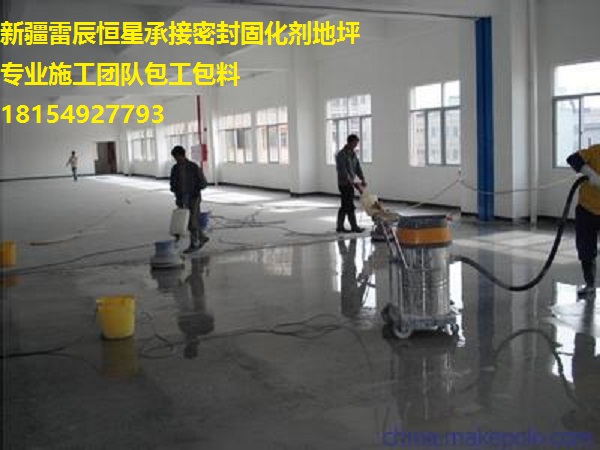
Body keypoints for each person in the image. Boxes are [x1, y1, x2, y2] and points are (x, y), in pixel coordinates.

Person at [567, 144, 600, 297]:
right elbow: (573, 159)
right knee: (586, 249)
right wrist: (591, 174)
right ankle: (590, 284)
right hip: (587, 210)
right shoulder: (595, 151)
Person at [170, 145, 209, 253]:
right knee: (186, 221)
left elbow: (203, 183)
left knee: (192, 221)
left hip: (193, 198)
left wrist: (196, 190)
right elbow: (172, 183)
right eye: (174, 158)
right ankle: (202, 237)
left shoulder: (193, 167)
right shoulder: (175, 168)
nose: (176, 159)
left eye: (177, 157)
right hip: (181, 198)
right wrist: (176, 192)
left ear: (182, 155)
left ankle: (194, 244)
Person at [335, 134, 367, 233]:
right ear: (350, 142)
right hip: (344, 184)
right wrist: (352, 182)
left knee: (346, 205)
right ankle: (353, 226)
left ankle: (340, 227)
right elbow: (343, 171)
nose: (356, 146)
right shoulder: (341, 155)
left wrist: (362, 178)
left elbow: (357, 167)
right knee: (349, 206)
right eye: (355, 143)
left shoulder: (353, 154)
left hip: (350, 183)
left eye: (357, 144)